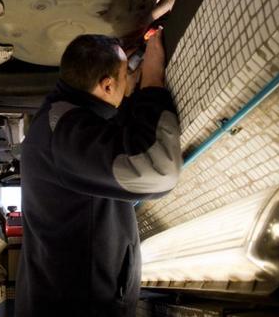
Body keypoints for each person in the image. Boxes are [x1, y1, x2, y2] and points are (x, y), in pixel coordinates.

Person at [15, 29, 182, 317]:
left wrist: (125, 88)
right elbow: (159, 170)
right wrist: (153, 82)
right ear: (105, 86)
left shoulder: (64, 119)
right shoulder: (65, 134)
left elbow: (111, 141)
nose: (129, 77)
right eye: (124, 73)